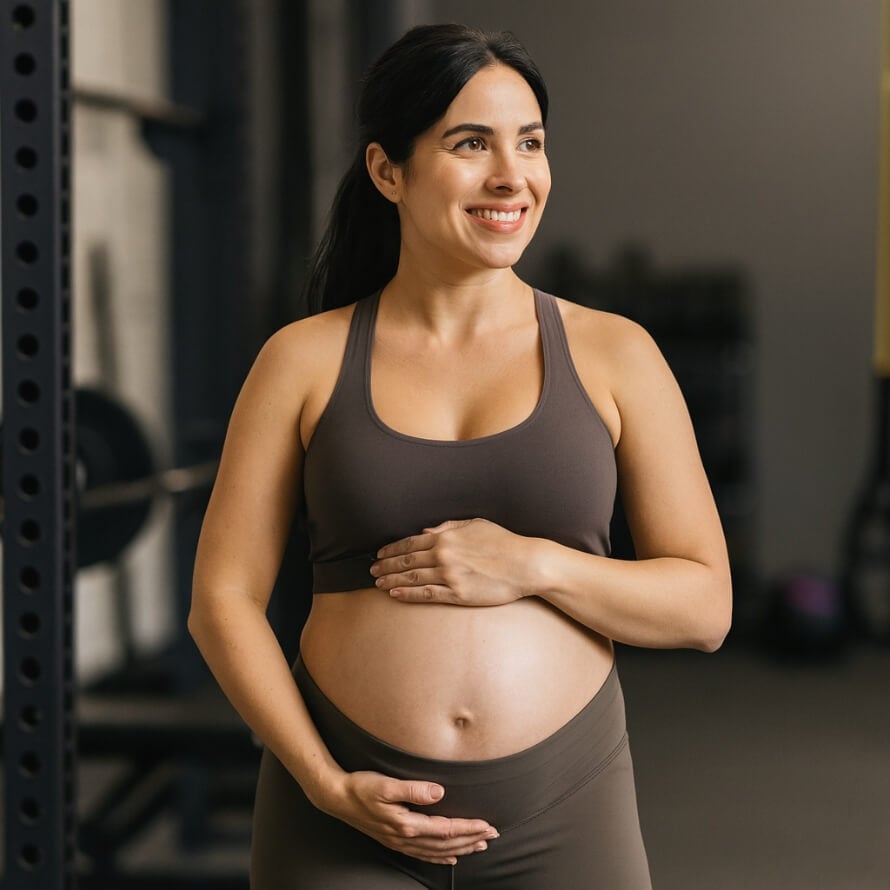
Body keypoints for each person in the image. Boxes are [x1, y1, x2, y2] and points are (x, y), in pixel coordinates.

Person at [189, 23, 731, 890]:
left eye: (531, 143)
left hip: (567, 808)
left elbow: (705, 606)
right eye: (471, 144)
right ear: (387, 171)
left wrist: (532, 565)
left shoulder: (615, 353)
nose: (511, 175)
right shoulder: (303, 359)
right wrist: (324, 784)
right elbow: (222, 600)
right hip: (344, 814)